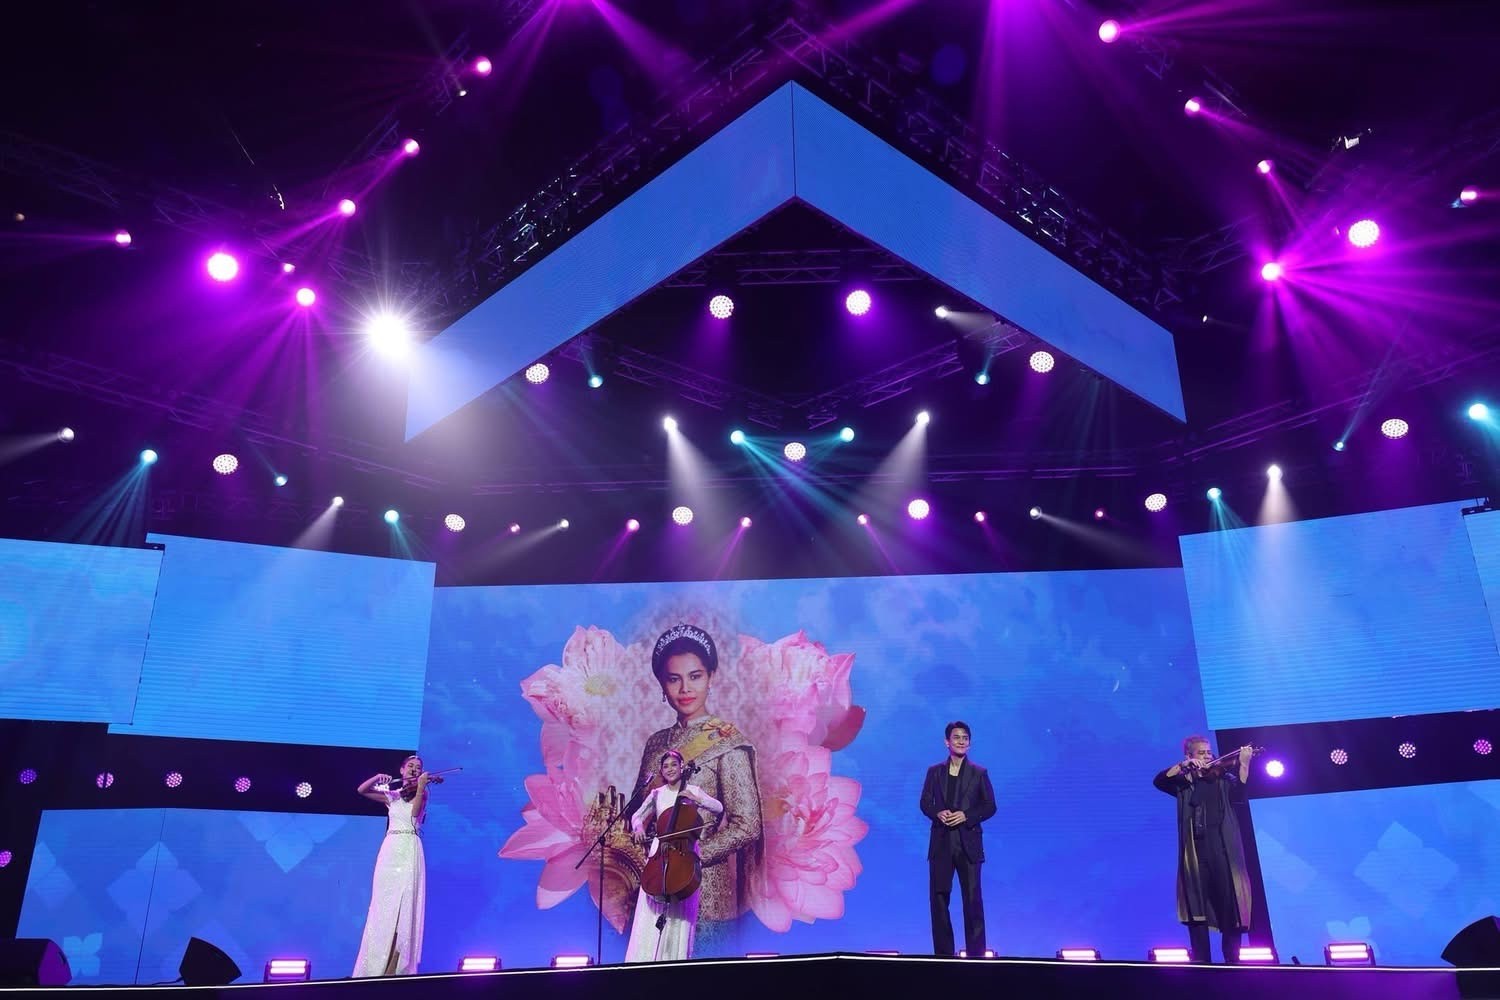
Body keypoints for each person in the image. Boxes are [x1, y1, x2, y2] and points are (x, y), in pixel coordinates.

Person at [626, 624, 762, 950]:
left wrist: (695, 856)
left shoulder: (727, 741)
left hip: (706, 890)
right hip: (655, 883)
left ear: (711, 677)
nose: (685, 688)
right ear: (662, 684)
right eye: (674, 679)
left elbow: (748, 824)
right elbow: (641, 807)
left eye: (695, 676)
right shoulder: (656, 743)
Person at [1153, 736, 1255, 964]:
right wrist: (1183, 766)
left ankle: (1233, 962)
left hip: (1224, 850)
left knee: (1231, 905)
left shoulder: (1223, 778)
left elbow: (1240, 795)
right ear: (1189, 756)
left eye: (1209, 752)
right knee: (1196, 907)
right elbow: (1159, 781)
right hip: (1196, 852)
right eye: (1201, 753)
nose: (1208, 756)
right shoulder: (1185, 782)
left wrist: (1244, 764)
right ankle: (1202, 963)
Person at [624, 749, 725, 962]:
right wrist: (638, 827)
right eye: (666, 766)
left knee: (679, 913)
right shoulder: (657, 794)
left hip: (683, 857)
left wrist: (697, 799)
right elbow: (637, 816)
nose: (670, 769)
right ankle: (645, 959)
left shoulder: (693, 790)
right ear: (661, 771)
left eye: (674, 765)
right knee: (651, 909)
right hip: (660, 853)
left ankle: (673, 959)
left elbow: (718, 807)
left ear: (681, 767)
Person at [352, 755, 441, 977]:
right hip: (390, 850)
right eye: (410, 766)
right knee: (383, 907)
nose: (414, 769)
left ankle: (396, 968)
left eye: (418, 767)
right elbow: (362, 790)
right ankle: (373, 967)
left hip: (409, 847)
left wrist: (421, 786)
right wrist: (377, 778)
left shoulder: (423, 793)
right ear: (401, 770)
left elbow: (414, 814)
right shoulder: (392, 796)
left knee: (404, 907)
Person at [919, 721, 997, 957]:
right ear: (947, 742)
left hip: (968, 844)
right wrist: (937, 812)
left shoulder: (979, 773)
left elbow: (990, 806)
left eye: (965, 738)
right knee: (939, 899)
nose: (961, 741)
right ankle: (944, 956)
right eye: (956, 737)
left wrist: (967, 815)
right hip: (941, 843)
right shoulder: (934, 772)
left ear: (969, 743)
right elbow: (925, 802)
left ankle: (976, 956)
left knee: (972, 901)